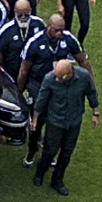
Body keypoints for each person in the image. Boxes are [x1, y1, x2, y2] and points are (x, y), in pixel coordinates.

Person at [17, 12, 86, 167]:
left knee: (55, 122)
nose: (59, 33)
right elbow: (24, 69)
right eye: (56, 30)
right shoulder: (34, 43)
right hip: (38, 85)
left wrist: (90, 82)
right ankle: (31, 150)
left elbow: (82, 60)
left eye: (61, 30)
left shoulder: (68, 39)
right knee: (36, 122)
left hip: (59, 87)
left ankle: (49, 153)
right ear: (48, 27)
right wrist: (18, 92)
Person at [31, 57, 99, 195]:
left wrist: (95, 112)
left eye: (59, 77)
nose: (56, 80)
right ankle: (39, 173)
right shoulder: (49, 78)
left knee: (67, 152)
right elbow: (41, 99)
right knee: (50, 151)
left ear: (69, 74)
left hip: (74, 121)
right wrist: (35, 119)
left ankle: (57, 180)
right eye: (55, 76)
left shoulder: (83, 77)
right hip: (55, 121)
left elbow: (91, 92)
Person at [0, 0, 41, 80]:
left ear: (30, 10)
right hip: (12, 72)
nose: (23, 17)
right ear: (15, 11)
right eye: (20, 14)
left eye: (26, 14)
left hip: (33, 72)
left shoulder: (39, 24)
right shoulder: (6, 30)